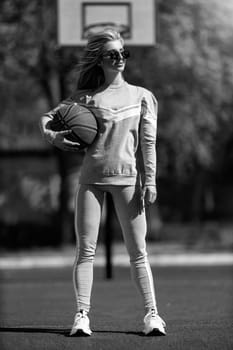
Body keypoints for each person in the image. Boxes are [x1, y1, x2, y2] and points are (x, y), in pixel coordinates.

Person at [39, 28, 166, 336]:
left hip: (128, 181)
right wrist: (53, 135)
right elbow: (47, 118)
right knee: (86, 251)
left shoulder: (142, 97)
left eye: (123, 53)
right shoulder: (84, 99)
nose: (120, 59)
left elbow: (148, 145)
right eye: (113, 54)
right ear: (100, 59)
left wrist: (150, 181)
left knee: (138, 252)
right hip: (91, 181)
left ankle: (152, 315)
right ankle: (82, 316)